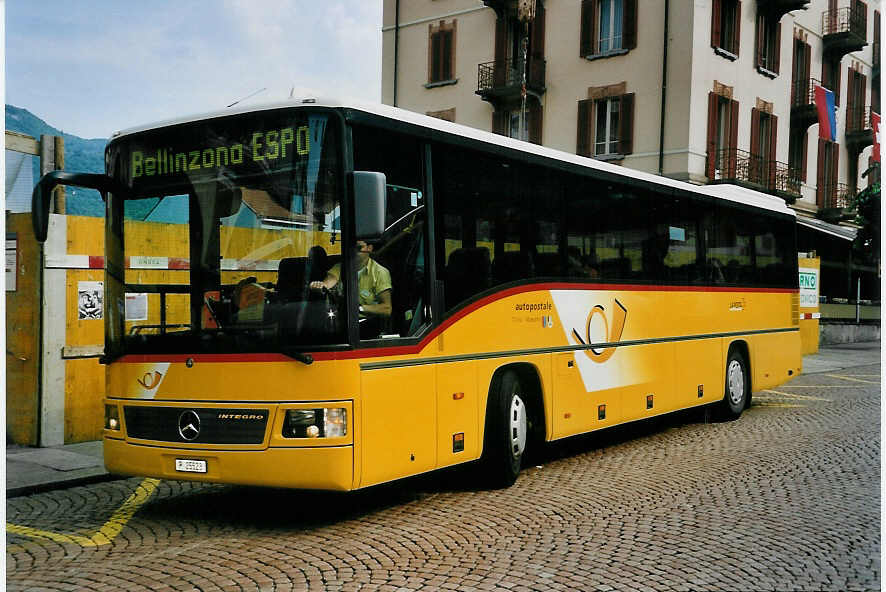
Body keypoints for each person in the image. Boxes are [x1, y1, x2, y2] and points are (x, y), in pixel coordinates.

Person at [310, 240, 392, 319]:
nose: (354, 251)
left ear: (369, 248)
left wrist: (359, 309)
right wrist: (320, 286)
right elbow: (329, 281)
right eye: (351, 248)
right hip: (342, 321)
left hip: (366, 324)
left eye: (359, 248)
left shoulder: (380, 272)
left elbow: (386, 309)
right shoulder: (340, 267)